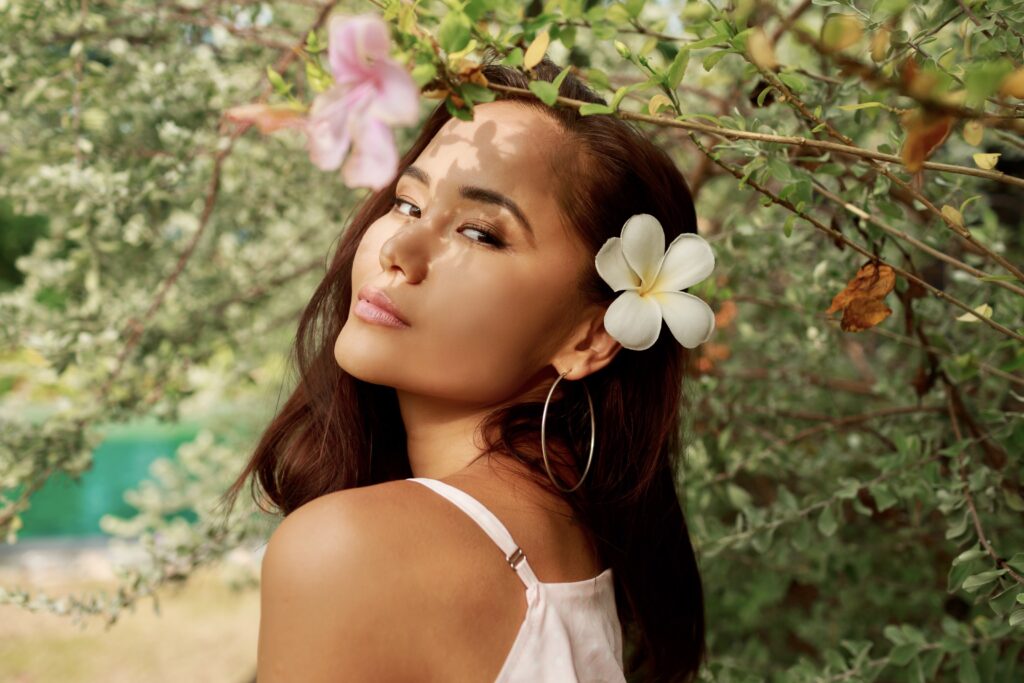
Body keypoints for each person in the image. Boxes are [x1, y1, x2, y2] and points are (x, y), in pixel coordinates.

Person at [223, 51, 709, 683]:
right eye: (407, 202)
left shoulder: (350, 550)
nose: (398, 249)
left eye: (481, 233)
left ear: (592, 338)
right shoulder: (575, 545)